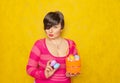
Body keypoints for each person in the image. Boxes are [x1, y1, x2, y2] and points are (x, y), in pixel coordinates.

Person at [26, 11, 80, 83]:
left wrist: (71, 73)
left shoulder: (71, 45)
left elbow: (74, 65)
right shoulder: (39, 45)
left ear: (62, 28)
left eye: (55, 27)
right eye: (48, 27)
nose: (50, 31)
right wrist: (44, 74)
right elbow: (29, 68)